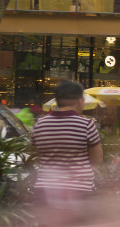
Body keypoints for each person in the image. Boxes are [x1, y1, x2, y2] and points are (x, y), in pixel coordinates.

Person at [29, 79, 103, 209]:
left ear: (56, 101)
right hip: (79, 191)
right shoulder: (86, 125)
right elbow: (97, 160)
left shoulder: (40, 124)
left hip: (46, 190)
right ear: (81, 101)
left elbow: (39, 154)